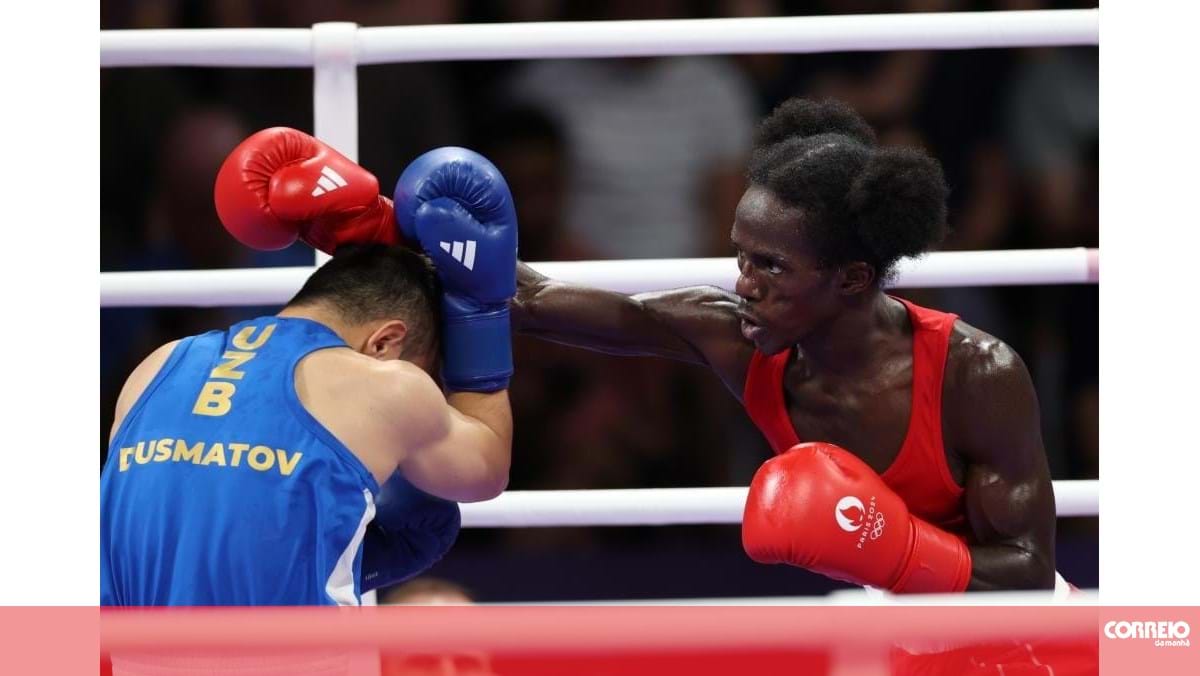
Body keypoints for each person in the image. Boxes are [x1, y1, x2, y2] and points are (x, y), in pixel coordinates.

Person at [510, 98, 1060, 595]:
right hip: (901, 627)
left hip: (1018, 639)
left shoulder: (975, 374)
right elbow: (536, 303)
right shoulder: (738, 338)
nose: (746, 283)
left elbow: (1028, 570)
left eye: (771, 265)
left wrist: (902, 551)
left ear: (851, 278)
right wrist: (452, 253)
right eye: (742, 257)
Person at [100, 128, 519, 606]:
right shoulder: (386, 386)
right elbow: (485, 470)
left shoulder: (157, 366)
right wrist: (479, 314)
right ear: (385, 343)